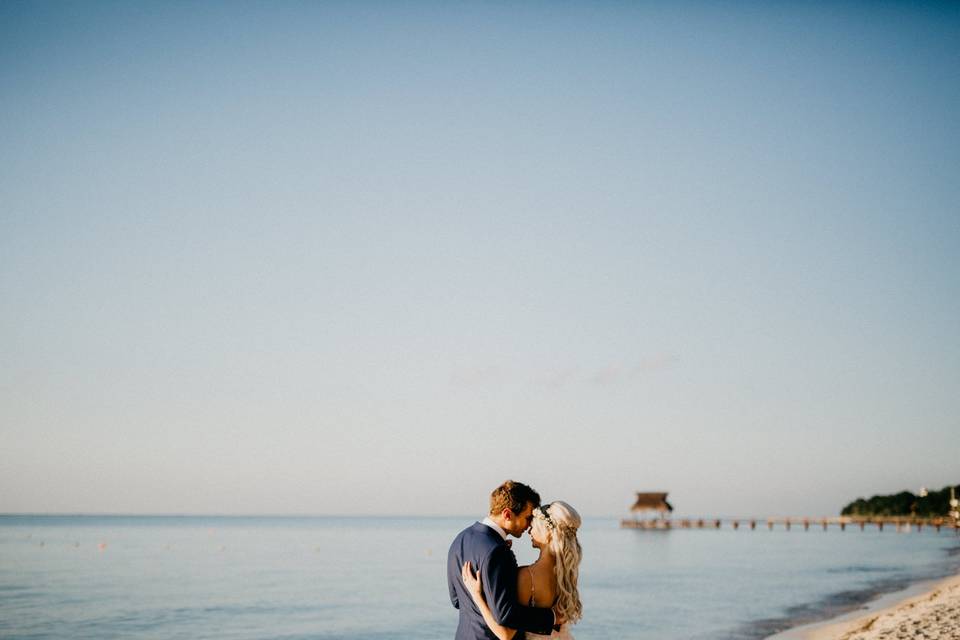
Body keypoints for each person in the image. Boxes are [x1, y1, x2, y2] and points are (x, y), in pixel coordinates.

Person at [447, 481, 560, 640]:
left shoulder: (460, 539)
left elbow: (456, 600)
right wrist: (552, 617)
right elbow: (506, 615)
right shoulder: (497, 552)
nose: (529, 526)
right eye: (527, 518)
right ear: (507, 514)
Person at [461, 500, 582, 640]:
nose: (529, 530)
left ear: (548, 533)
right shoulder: (566, 574)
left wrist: (476, 595)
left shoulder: (527, 576)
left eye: (534, 526)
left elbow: (506, 634)